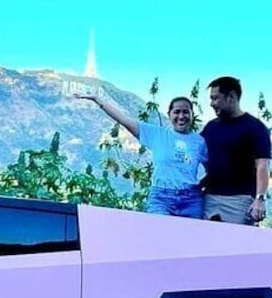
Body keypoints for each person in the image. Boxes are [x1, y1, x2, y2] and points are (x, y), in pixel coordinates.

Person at [75, 92, 208, 218]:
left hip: (191, 201)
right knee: (160, 235)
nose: (181, 116)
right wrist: (97, 99)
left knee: (189, 240)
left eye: (186, 112)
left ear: (191, 114)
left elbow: (213, 170)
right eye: (177, 112)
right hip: (162, 199)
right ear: (169, 114)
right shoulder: (157, 134)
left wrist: (199, 186)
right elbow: (124, 120)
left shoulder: (199, 142)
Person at [200, 76, 271, 225]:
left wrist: (259, 199)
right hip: (209, 198)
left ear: (231, 97)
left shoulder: (255, 127)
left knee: (235, 245)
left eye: (215, 98)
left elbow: (262, 165)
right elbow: (198, 155)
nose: (211, 103)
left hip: (239, 201)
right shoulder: (211, 127)